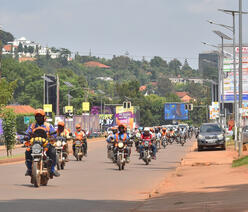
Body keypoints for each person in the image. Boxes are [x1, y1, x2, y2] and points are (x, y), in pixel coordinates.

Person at [25, 109, 60, 177]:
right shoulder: (32, 126)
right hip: (34, 144)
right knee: (27, 151)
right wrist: (26, 136)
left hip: (46, 144)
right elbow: (27, 132)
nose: (39, 118)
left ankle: (52, 169)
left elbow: (54, 133)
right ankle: (29, 169)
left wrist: (53, 137)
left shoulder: (48, 125)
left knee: (53, 152)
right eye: (37, 116)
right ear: (35, 118)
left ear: (44, 117)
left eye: (40, 116)